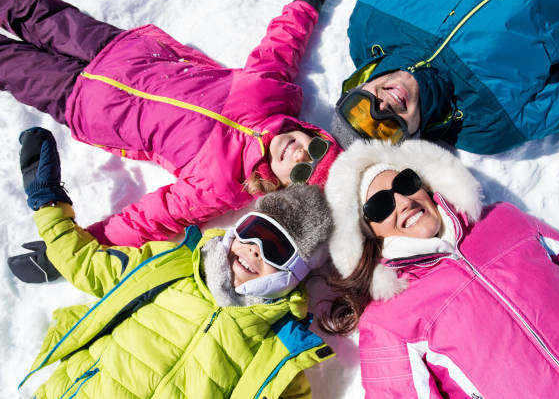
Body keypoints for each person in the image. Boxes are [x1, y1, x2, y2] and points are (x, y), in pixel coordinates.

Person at [0, 0, 341, 250]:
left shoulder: (223, 184)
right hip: (121, 51)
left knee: (9, 63)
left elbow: (154, 217)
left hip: (84, 104)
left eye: (303, 172)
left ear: (285, 186)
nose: (300, 156)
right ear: (316, 133)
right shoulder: (271, 93)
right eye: (317, 150)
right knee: (30, 9)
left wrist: (76, 247)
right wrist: (309, 1)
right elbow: (282, 45)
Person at [15, 127, 335, 398]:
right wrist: (48, 202)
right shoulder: (169, 269)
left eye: (275, 250)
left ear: (295, 273)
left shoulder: (278, 351)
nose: (253, 250)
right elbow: (87, 263)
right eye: (253, 232)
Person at [320, 139, 559, 398]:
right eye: (380, 205)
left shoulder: (504, 221)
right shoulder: (388, 321)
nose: (403, 201)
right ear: (367, 232)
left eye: (405, 183)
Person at [330, 0, 559, 154]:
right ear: (411, 136)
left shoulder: (370, 22)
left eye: (361, 110)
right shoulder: (488, 125)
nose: (384, 108)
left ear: (355, 89)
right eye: (388, 129)